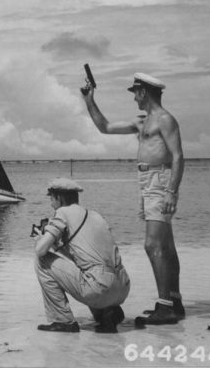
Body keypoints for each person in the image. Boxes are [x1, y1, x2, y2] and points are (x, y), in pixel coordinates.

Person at [82, 72, 184, 325]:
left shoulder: (165, 119)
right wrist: (89, 100)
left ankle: (166, 306)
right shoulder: (142, 122)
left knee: (153, 245)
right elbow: (104, 127)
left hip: (160, 181)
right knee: (166, 247)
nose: (133, 98)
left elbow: (178, 157)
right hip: (147, 183)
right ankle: (174, 301)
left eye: (135, 92)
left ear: (144, 92)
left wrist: (171, 191)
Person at [33, 178, 130, 333]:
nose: (51, 204)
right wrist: (58, 245)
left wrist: (40, 237)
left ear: (59, 197)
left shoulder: (62, 213)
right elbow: (87, 255)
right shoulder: (95, 215)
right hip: (122, 286)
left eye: (51, 198)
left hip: (100, 288)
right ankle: (106, 312)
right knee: (90, 269)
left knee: (42, 261)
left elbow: (40, 250)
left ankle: (63, 320)